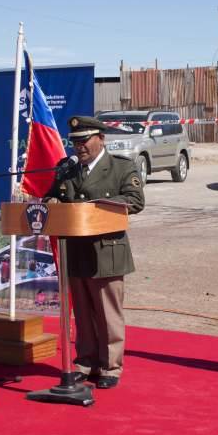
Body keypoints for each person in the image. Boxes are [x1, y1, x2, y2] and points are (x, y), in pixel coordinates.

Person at [44, 116, 145, 389]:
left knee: (108, 313)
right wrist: (51, 202)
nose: (79, 146)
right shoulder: (66, 169)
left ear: (101, 138)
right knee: (84, 314)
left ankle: (111, 366)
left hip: (106, 252)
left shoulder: (120, 168)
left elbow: (135, 201)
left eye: (84, 140)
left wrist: (95, 208)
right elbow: (50, 198)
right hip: (74, 251)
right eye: (75, 141)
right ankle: (86, 362)